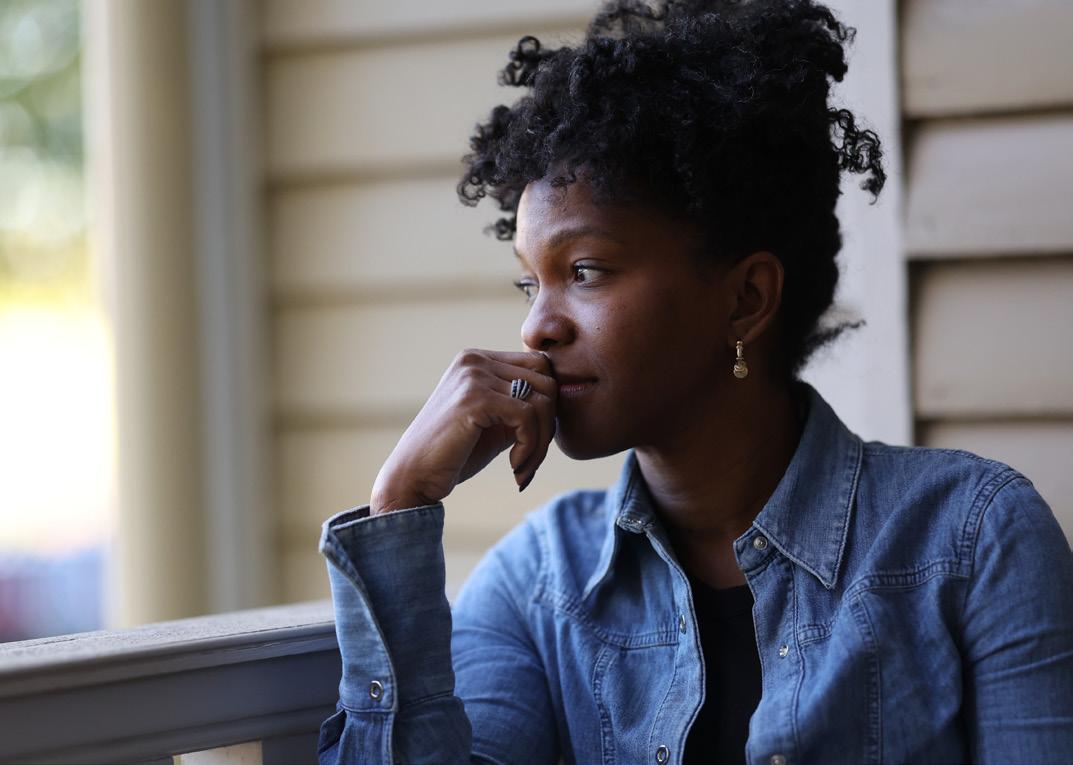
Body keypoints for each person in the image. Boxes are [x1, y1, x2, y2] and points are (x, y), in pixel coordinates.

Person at [315, 1, 1073, 762]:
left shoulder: (973, 539)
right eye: (529, 284)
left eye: (585, 271)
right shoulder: (538, 583)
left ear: (745, 299)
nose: (535, 329)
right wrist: (400, 504)